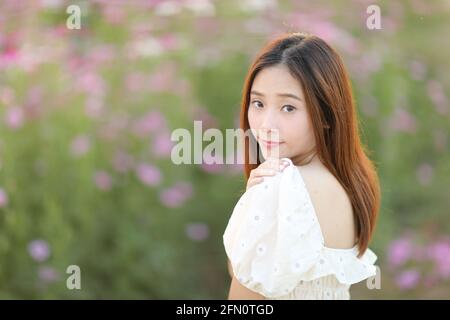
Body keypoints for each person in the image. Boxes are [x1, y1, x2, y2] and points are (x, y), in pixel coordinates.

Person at [223, 32, 381, 300]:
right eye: (258, 103)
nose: (266, 124)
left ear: (326, 115)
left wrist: (258, 202)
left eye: (288, 108)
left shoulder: (282, 188)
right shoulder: (348, 184)